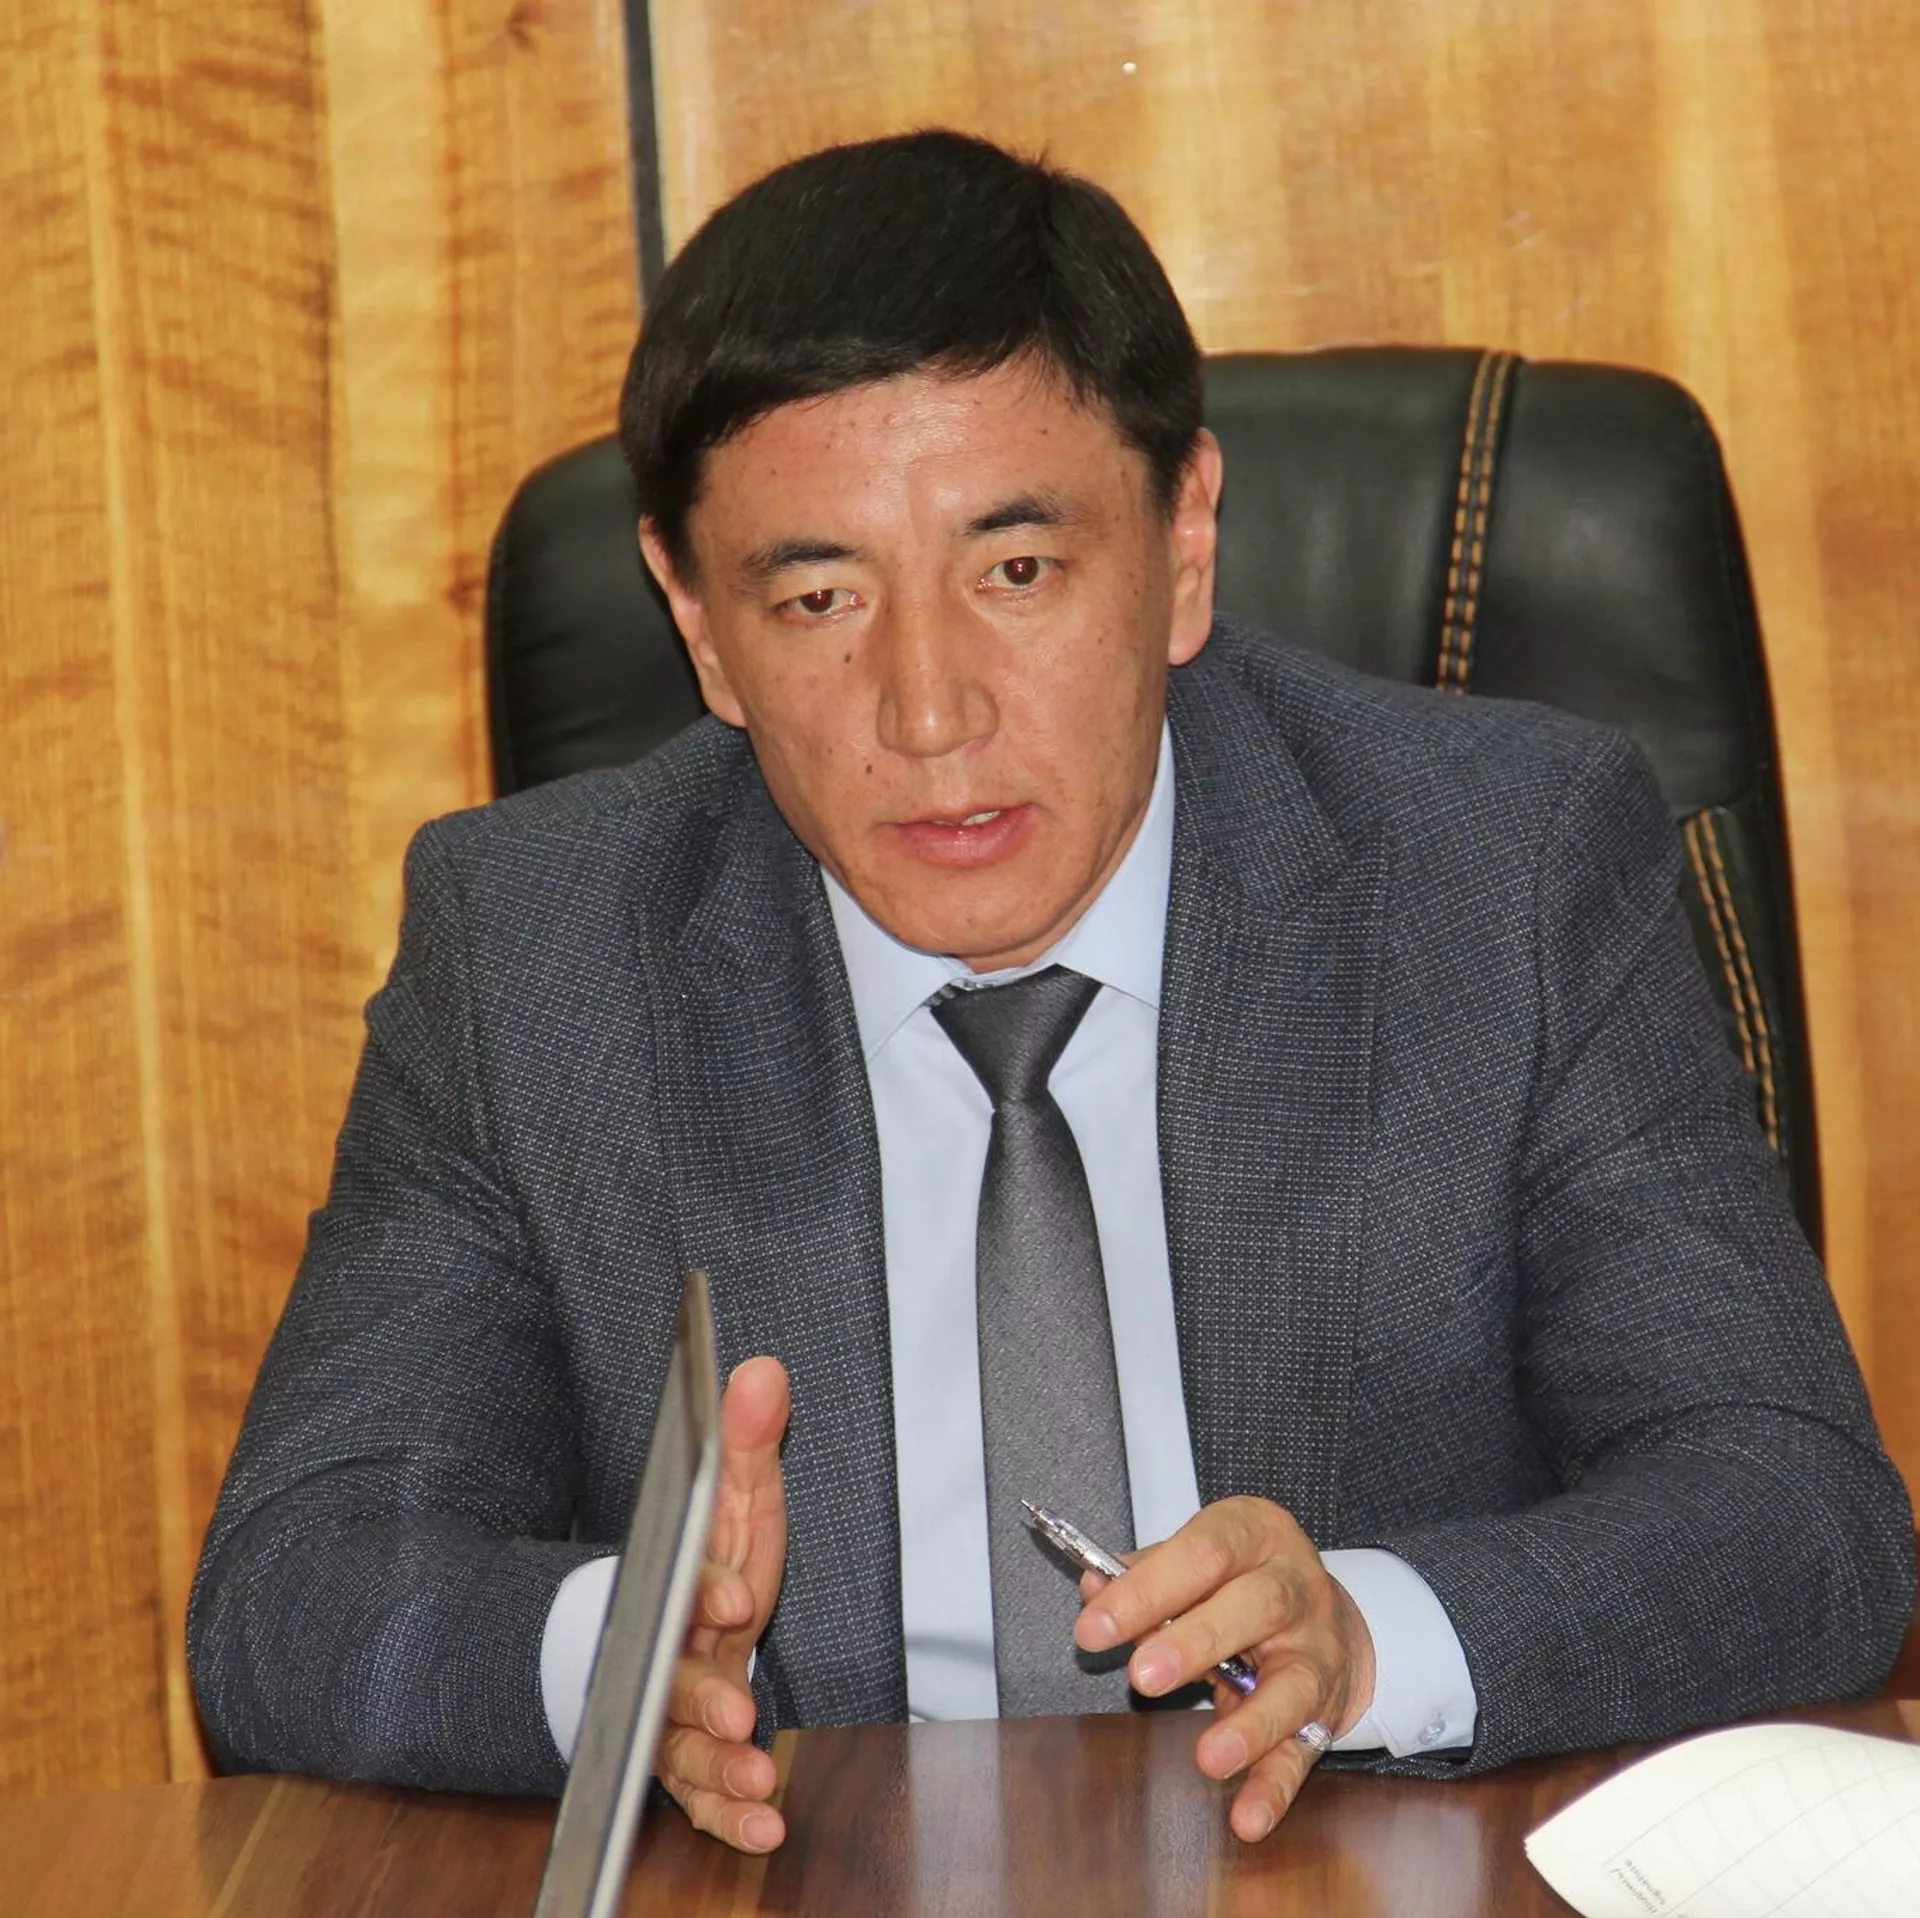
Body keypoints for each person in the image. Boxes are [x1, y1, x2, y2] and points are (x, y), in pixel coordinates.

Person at [187, 130, 1914, 1856]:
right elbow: (289, 1595)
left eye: (1015, 571)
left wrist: (1372, 1635)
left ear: (1185, 543)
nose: (929, 709)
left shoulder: (1503, 870)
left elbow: (1801, 1519)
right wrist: (633, 1652)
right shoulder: (535, 954)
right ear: (700, 627)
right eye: (819, 596)